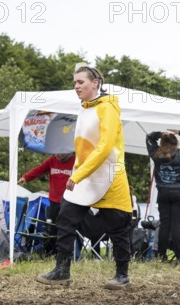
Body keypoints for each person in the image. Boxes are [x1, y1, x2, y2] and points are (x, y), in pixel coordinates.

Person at [35, 63, 133, 289]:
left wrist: (77, 174)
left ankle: (122, 276)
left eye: (80, 82)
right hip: (86, 175)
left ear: (95, 83)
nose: (76, 86)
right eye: (74, 83)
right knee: (65, 216)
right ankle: (62, 271)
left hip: (110, 174)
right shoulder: (85, 108)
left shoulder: (107, 107)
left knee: (117, 226)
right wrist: (79, 173)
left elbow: (105, 146)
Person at [146, 129, 180, 264]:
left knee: (164, 225)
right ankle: (179, 258)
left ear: (161, 143)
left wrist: (160, 134)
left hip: (164, 193)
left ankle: (161, 256)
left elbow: (149, 138)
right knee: (177, 225)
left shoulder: (156, 154)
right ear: (175, 144)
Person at [18, 153, 75, 254]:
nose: (57, 156)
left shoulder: (75, 161)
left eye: (60, 154)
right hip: (54, 201)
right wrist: (26, 177)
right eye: (55, 153)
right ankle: (50, 252)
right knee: (51, 228)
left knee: (65, 228)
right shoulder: (52, 160)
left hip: (69, 200)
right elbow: (39, 169)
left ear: (67, 151)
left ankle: (66, 252)